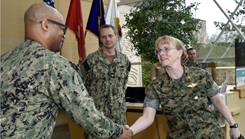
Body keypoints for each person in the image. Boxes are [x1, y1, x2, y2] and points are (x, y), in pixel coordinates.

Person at [0, 3, 133, 139]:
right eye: (62, 29)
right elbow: (83, 111)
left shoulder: (4, 60)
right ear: (45, 25)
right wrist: (118, 132)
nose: (63, 35)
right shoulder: (54, 63)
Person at [128, 35, 241, 139]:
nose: (161, 53)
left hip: (210, 134)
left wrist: (233, 125)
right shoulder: (156, 86)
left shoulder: (200, 75)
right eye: (159, 50)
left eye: (167, 49)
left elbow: (218, 101)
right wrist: (130, 131)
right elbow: (147, 117)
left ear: (179, 53)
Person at [80, 24, 131, 139]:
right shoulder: (91, 60)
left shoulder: (124, 61)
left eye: (110, 36)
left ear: (116, 37)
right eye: (103, 37)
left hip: (119, 118)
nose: (107, 39)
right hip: (97, 118)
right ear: (100, 39)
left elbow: (123, 86)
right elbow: (83, 87)